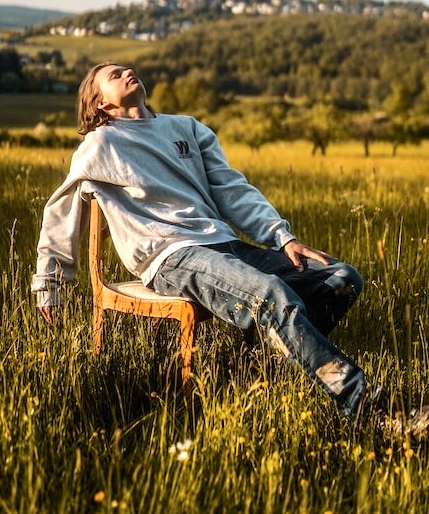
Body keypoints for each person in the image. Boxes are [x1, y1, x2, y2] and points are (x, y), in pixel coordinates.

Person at [32, 62, 428, 435]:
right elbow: (62, 210)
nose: (128, 72)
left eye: (127, 68)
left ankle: (256, 366)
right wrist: (49, 282)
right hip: (172, 256)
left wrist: (282, 237)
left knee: (342, 278)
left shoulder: (186, 127)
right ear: (101, 102)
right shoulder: (101, 145)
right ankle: (368, 409)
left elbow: (232, 188)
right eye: (116, 75)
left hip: (224, 244)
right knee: (270, 296)